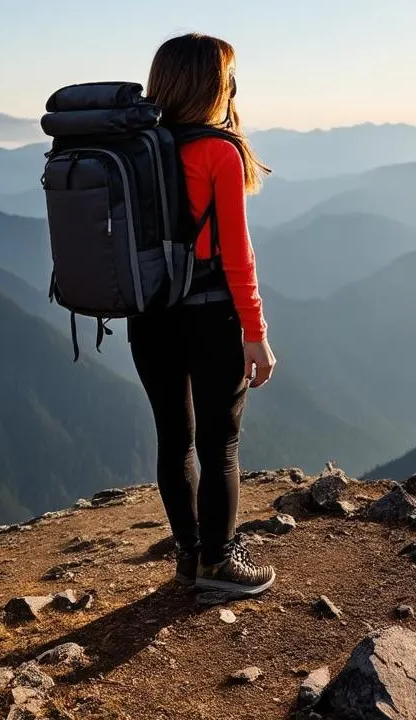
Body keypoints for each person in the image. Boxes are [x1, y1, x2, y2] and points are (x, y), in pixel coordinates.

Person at [130, 33, 278, 597]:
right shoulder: (219, 151)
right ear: (217, 84)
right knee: (220, 444)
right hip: (211, 316)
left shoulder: (140, 147)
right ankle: (220, 562)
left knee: (175, 439)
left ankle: (189, 557)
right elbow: (237, 256)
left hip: (149, 317)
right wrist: (255, 333)